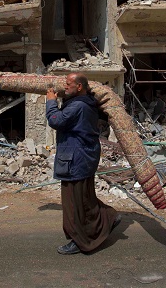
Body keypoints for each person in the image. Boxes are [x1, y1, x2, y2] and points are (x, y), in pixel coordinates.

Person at [46, 73, 121, 255]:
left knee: (74, 204)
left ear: (79, 87)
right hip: (84, 156)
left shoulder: (78, 105)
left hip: (76, 159)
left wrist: (50, 102)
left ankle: (80, 241)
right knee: (85, 198)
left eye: (69, 84)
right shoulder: (85, 102)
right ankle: (108, 217)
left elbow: (56, 120)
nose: (65, 86)